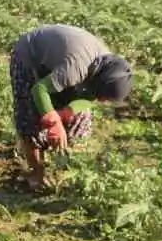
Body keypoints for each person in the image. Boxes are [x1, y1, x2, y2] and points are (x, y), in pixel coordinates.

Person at [10, 24, 133, 190]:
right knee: (31, 117)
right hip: (30, 57)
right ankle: (35, 173)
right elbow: (40, 89)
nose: (103, 102)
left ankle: (63, 166)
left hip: (60, 66)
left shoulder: (107, 68)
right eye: (103, 97)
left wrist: (65, 113)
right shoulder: (76, 67)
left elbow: (90, 97)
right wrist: (53, 121)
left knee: (80, 119)